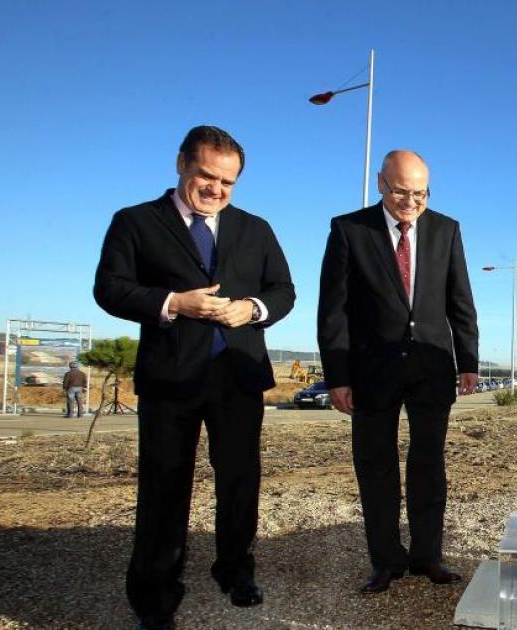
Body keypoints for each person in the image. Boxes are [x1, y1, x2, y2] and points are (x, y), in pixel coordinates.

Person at [94, 125, 295, 630]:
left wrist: (252, 308)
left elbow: (283, 290)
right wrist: (171, 303)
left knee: (239, 483)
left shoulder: (256, 228)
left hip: (238, 379)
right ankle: (156, 597)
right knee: (164, 488)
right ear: (181, 163)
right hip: (170, 381)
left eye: (228, 182)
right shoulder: (136, 222)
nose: (216, 190)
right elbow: (109, 288)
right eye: (206, 175)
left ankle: (235, 569)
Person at [317, 149, 480, 594]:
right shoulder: (349, 230)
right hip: (371, 372)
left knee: (428, 464)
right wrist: (338, 375)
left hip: (431, 369)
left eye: (421, 193)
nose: (411, 201)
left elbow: (459, 300)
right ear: (381, 183)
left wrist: (468, 361)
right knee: (376, 466)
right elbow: (333, 311)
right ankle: (386, 560)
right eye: (402, 191)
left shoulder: (446, 230)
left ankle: (429, 556)